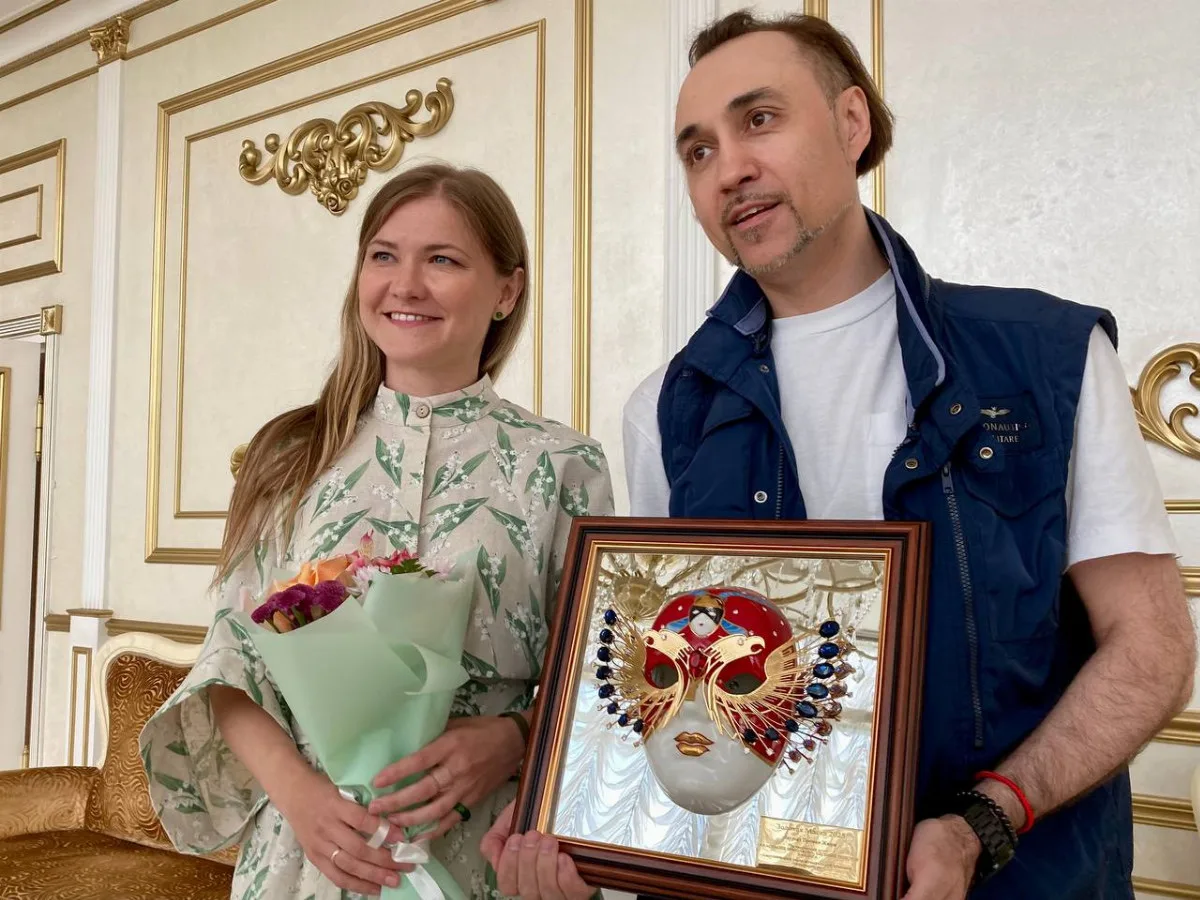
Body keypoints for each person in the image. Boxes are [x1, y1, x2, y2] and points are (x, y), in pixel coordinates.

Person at [483, 11, 1194, 900]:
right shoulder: (665, 409)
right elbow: (678, 694)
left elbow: (1152, 649)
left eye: (760, 119)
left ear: (851, 122)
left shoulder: (1044, 355)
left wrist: (986, 820)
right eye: (698, 151)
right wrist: (576, 818)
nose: (729, 169)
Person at [141, 162, 614, 899]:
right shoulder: (292, 454)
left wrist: (517, 740)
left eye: (443, 260)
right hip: (307, 854)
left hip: (484, 851)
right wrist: (299, 797)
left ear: (507, 291)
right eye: (384, 256)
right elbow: (229, 665)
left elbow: (605, 678)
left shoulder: (565, 465)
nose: (406, 285)